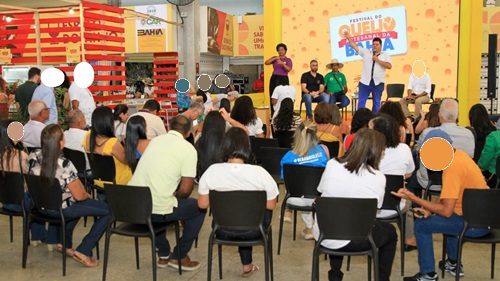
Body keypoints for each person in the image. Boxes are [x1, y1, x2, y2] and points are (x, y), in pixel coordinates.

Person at [393, 130, 489, 281]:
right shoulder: (460, 156)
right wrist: (429, 210)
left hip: (473, 225)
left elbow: (446, 211)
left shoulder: (452, 169)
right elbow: (448, 198)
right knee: (448, 219)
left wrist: (413, 198)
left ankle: (428, 274)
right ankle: (453, 263)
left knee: (422, 226)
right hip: (482, 218)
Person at [314, 128, 397, 281]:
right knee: (391, 232)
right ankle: (382, 278)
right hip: (359, 238)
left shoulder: (332, 164)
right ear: (375, 151)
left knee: (337, 217)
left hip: (324, 234)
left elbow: (320, 191)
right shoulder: (378, 177)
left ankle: (335, 273)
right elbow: (375, 211)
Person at [198, 127, 279, 277]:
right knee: (251, 215)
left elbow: (202, 204)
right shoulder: (260, 173)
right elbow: (271, 205)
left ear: (224, 146)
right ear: (247, 147)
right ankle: (247, 265)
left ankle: (247, 265)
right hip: (255, 231)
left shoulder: (212, 171)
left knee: (238, 214)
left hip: (222, 230)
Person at [129, 115, 205, 271]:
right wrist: (174, 197)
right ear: (189, 132)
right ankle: (179, 255)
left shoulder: (154, 141)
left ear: (169, 127)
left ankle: (163, 254)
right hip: (156, 208)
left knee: (159, 200)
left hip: (132, 206)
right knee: (199, 207)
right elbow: (185, 190)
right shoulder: (188, 149)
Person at [29, 124, 111, 268]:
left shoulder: (33, 157)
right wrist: (87, 196)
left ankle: (63, 243)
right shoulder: (65, 164)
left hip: (41, 207)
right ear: (60, 142)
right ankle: (84, 250)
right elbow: (79, 196)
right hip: (61, 209)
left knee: (78, 204)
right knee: (109, 211)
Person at [369, 114, 416, 249]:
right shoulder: (404, 149)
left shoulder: (368, 151)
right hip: (395, 206)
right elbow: (409, 172)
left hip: (368, 207)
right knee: (408, 199)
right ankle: (409, 239)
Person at [0, 119, 47, 245]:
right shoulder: (22, 156)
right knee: (43, 197)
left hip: (5, 201)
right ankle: (42, 236)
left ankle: (39, 235)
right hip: (21, 202)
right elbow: (30, 181)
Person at [280, 121, 330, 239]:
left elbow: (286, 182)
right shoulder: (323, 152)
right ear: (315, 135)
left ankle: (306, 225)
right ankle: (311, 228)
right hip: (319, 198)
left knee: (300, 189)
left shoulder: (287, 157)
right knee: (310, 190)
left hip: (295, 199)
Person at [415, 99, 475, 190]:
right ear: (457, 115)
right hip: (459, 181)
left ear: (439, 115)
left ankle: (416, 203)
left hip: (430, 182)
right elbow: (471, 157)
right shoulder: (468, 134)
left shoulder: (428, 133)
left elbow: (419, 152)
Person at [82, 106, 132, 187]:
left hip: (98, 182)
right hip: (118, 183)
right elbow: (127, 161)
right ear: (109, 122)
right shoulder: (112, 143)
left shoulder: (87, 137)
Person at [345, 33, 392, 113]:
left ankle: (374, 121)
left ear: (381, 45)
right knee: (361, 103)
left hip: (378, 83)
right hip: (364, 82)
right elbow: (354, 46)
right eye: (373, 44)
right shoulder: (366, 52)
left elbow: (389, 66)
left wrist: (377, 60)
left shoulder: (386, 55)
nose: (375, 46)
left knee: (377, 103)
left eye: (377, 44)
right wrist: (348, 37)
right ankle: (361, 122)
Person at [194, 111, 226, 179]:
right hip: (222, 180)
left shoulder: (198, 140)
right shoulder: (227, 142)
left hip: (202, 179)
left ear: (206, 124)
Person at [265, 43, 293, 115]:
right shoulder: (275, 58)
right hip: (275, 78)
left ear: (285, 51)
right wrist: (275, 58)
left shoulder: (288, 60)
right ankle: (273, 114)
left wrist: (282, 63)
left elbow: (288, 69)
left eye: (282, 50)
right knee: (273, 95)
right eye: (279, 50)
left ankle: (284, 114)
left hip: (284, 78)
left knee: (284, 95)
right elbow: (266, 62)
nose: (280, 51)